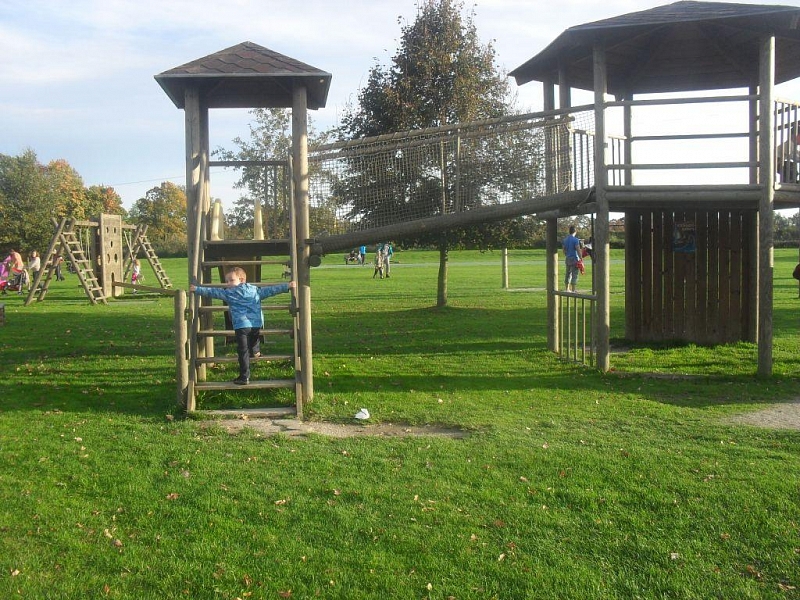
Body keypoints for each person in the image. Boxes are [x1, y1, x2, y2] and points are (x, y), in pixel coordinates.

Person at [190, 267, 295, 385]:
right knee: (254, 339)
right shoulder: (255, 290)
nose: (228, 283)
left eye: (231, 280)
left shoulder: (229, 293)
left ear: (242, 280)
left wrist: (197, 289)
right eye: (227, 281)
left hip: (241, 325)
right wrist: (287, 286)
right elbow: (270, 290)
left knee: (243, 350)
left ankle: (244, 376)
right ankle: (255, 351)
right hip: (256, 324)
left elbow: (213, 292)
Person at [562, 225, 583, 292]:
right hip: (574, 259)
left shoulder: (565, 240)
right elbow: (578, 249)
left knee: (568, 273)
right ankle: (573, 289)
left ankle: (567, 289)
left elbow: (564, 251)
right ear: (575, 231)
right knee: (575, 274)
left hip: (568, 258)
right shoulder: (576, 240)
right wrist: (581, 258)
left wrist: (567, 254)